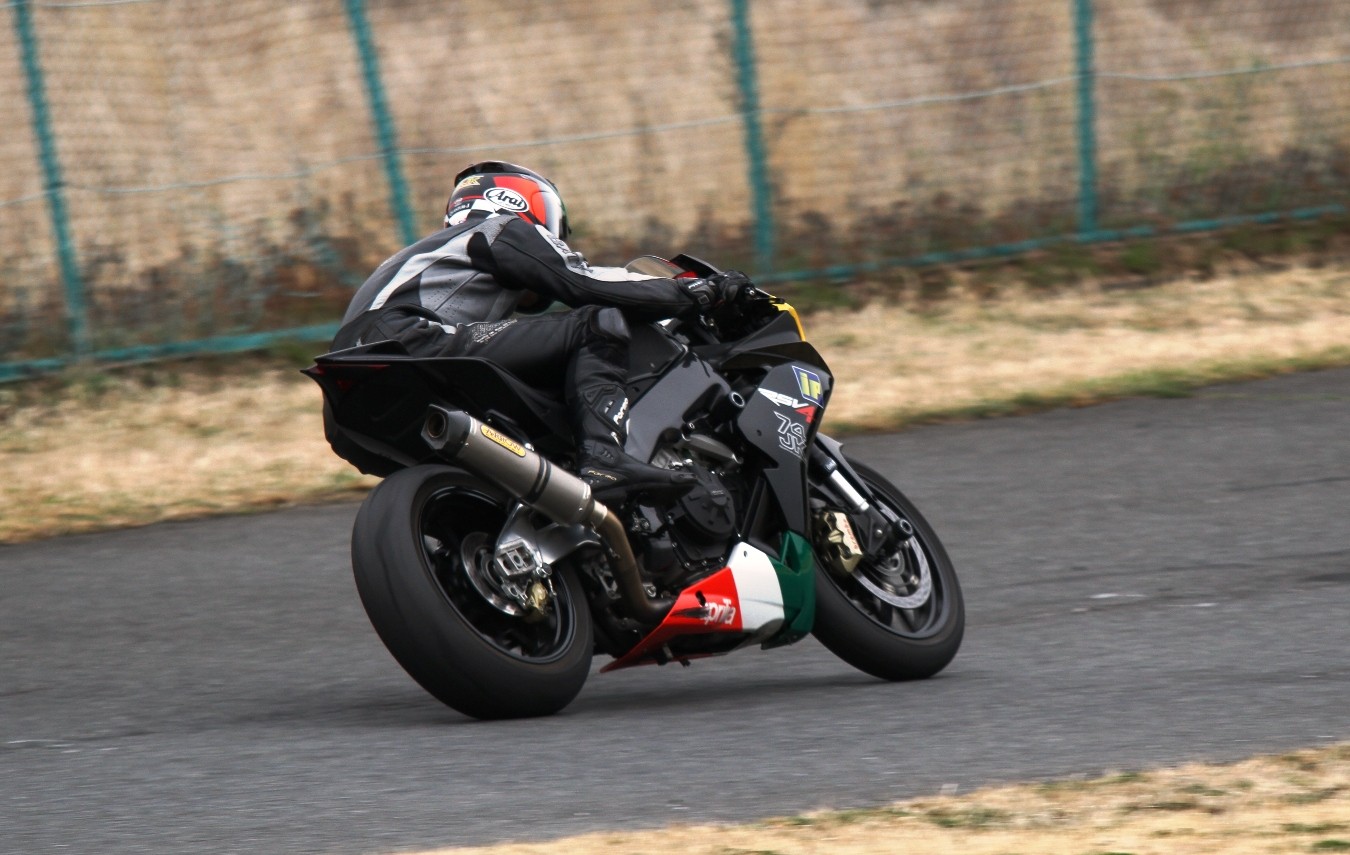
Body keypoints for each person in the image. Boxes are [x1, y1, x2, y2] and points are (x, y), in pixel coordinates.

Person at [328, 160, 748, 499]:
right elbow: (586, 284)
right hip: (411, 341)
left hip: (346, 407)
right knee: (597, 323)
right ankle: (605, 457)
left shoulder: (424, 257)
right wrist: (697, 292)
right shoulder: (499, 229)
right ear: (519, 201)